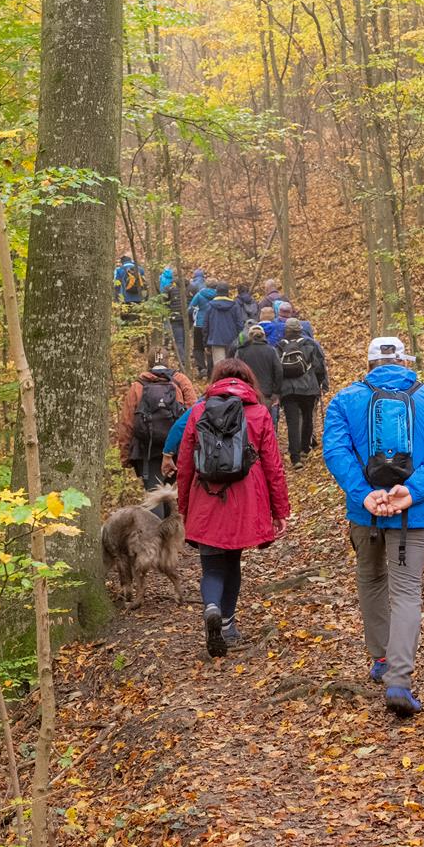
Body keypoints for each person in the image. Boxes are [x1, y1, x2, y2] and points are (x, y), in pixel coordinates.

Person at [320, 336, 424, 719]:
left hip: (363, 512)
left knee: (370, 579)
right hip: (410, 514)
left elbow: (335, 450)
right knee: (407, 592)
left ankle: (380, 658)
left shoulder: (345, 400)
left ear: (369, 364)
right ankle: (399, 680)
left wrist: (363, 494)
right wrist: (410, 493)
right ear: (404, 361)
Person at [176, 359, 290, 657]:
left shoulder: (199, 410)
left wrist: (184, 505)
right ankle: (226, 625)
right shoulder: (259, 412)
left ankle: (211, 606)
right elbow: (273, 466)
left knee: (212, 565)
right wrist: (279, 510)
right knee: (233, 561)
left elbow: (186, 462)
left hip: (206, 495)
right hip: (245, 499)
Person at [115, 361, 196, 490]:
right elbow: (193, 414)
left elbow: (127, 422)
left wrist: (125, 455)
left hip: (147, 451)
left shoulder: (138, 385)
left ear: (149, 364)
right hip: (176, 451)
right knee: (172, 496)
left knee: (154, 497)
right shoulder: (181, 380)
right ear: (167, 362)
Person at [278, 320, 329, 465]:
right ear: (300, 329)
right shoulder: (310, 344)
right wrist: (319, 382)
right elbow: (319, 367)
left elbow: (276, 368)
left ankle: (295, 458)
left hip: (288, 389)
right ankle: (305, 449)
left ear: (286, 330)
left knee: (292, 422)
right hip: (308, 387)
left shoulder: (280, 346)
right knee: (307, 418)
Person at [233, 322, 283, 430]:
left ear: (250, 336)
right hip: (266, 394)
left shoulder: (241, 351)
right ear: (263, 336)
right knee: (265, 423)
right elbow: (279, 371)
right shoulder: (271, 351)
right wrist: (276, 392)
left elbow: (235, 371)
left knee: (248, 424)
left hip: (246, 392)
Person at [201, 283, 245, 367]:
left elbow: (206, 326)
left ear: (217, 292)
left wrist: (206, 343)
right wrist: (240, 340)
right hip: (232, 340)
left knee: (219, 367)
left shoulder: (210, 306)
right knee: (232, 365)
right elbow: (240, 324)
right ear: (227, 292)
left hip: (215, 339)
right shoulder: (235, 306)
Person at [188, 276, 218, 374]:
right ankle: (211, 369)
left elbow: (191, 308)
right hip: (213, 324)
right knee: (210, 347)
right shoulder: (218, 296)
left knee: (198, 347)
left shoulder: (199, 294)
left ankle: (201, 368)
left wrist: (192, 318)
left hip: (199, 324)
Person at [160, 269, 187, 358]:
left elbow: (164, 303)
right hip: (186, 317)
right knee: (185, 340)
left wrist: (168, 313)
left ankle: (182, 360)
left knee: (179, 340)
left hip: (175, 318)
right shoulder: (189, 287)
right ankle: (184, 359)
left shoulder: (169, 288)